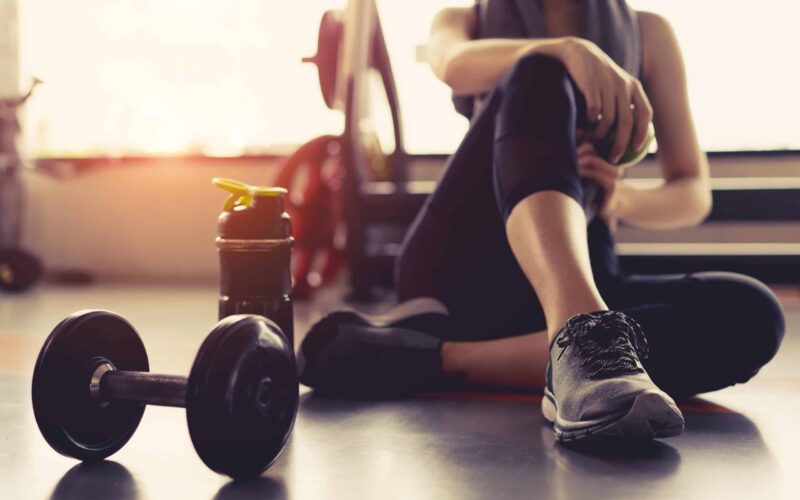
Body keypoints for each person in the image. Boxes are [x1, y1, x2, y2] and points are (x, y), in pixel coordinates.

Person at [297, 0, 785, 442]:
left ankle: (435, 357)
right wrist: (567, 50)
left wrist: (621, 200)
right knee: (540, 69)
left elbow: (692, 192)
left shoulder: (650, 33)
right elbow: (451, 64)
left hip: (585, 265)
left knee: (752, 314)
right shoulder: (463, 20)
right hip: (463, 267)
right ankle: (582, 334)